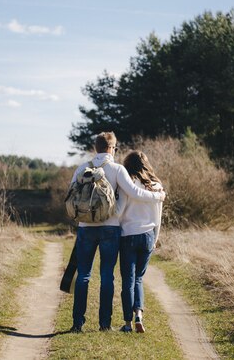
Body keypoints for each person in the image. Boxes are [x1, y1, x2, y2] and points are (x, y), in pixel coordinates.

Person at [70, 132, 166, 332]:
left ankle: (77, 323)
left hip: (86, 228)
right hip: (110, 228)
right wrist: (158, 196)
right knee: (107, 275)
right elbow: (134, 192)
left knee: (83, 276)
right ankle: (104, 324)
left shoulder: (81, 168)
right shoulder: (116, 169)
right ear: (113, 148)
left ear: (95, 148)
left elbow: (72, 196)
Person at [118, 150, 163, 333]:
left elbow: (119, 213)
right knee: (139, 279)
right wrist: (155, 240)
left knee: (128, 279)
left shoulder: (127, 185)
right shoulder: (157, 186)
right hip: (148, 235)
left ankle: (128, 323)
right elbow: (158, 218)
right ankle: (139, 315)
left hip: (128, 234)